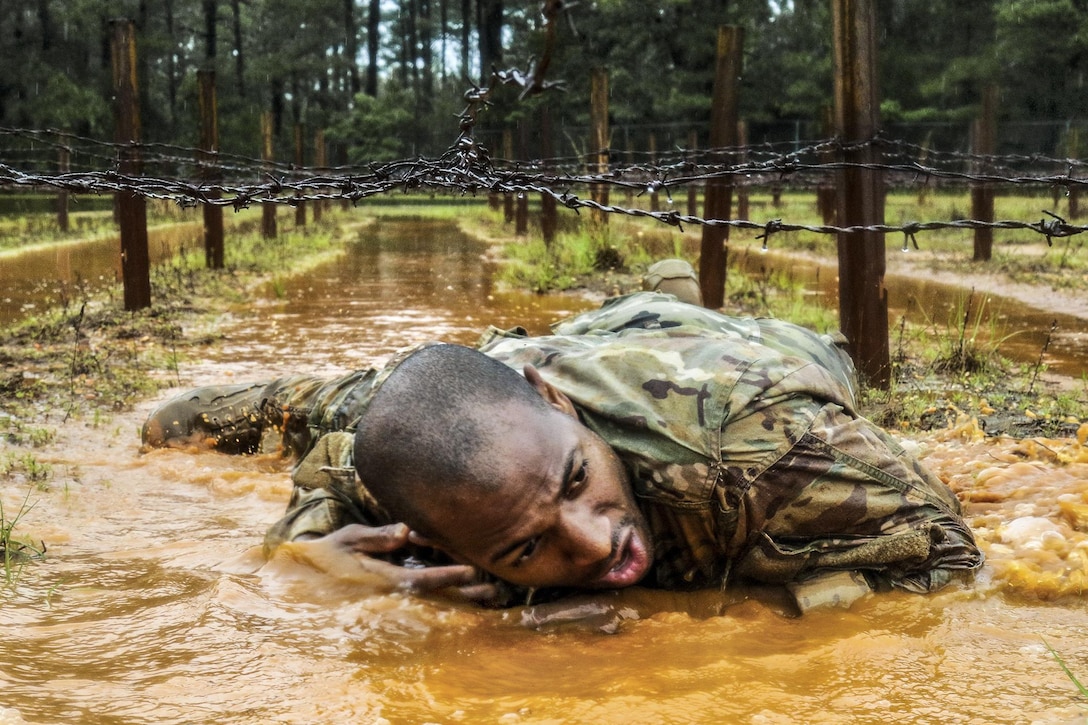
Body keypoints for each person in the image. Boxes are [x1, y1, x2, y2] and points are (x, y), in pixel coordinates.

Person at [142, 269, 982, 614]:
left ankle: (669, 289)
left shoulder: (771, 449)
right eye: (527, 544)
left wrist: (678, 613)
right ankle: (649, 291)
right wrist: (304, 553)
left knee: (814, 348)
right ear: (435, 536)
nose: (596, 541)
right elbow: (330, 468)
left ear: (556, 406)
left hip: (744, 356)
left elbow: (950, 558)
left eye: (577, 482)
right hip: (538, 355)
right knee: (176, 425)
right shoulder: (431, 478)